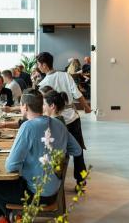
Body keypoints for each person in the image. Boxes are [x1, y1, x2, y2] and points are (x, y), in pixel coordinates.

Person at [0, 89, 82, 223]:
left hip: (35, 193)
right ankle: (6, 216)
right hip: (53, 190)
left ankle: (0, 220)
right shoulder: (59, 124)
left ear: (25, 106)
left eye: (20, 105)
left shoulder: (28, 127)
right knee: (2, 186)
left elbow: (11, 166)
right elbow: (77, 150)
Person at [36, 51, 90, 187]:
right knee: (78, 151)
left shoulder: (43, 83)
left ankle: (55, 182)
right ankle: (81, 182)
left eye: (38, 64)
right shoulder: (65, 75)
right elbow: (77, 95)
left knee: (56, 151)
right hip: (72, 118)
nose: (38, 67)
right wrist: (87, 107)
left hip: (54, 121)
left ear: (44, 65)